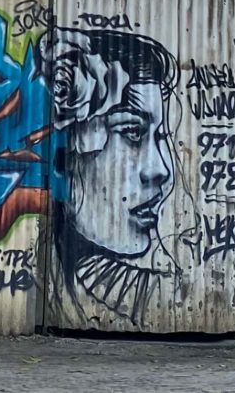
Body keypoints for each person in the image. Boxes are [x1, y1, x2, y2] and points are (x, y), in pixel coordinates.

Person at [42, 24, 180, 324]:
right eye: (132, 132)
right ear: (66, 151)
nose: (161, 170)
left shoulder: (166, 299)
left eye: (160, 137)